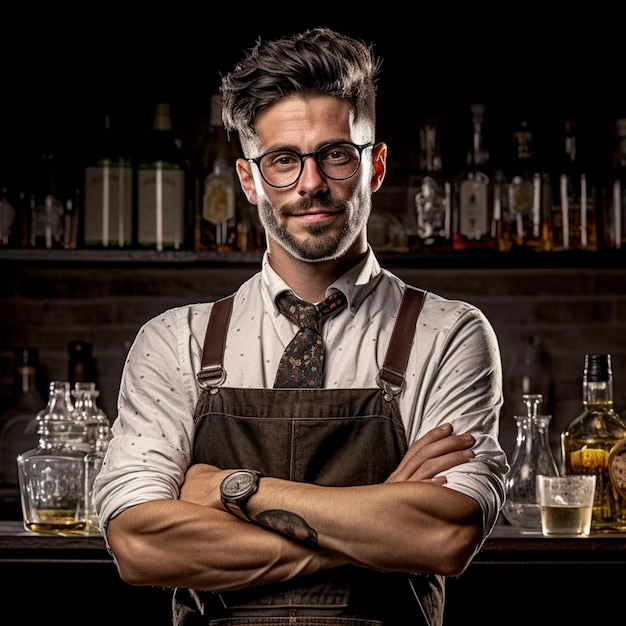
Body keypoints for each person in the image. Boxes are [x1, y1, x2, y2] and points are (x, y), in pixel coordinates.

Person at [94, 27, 508, 626]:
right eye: (283, 160)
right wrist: (375, 525)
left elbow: (442, 537)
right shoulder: (174, 342)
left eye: (335, 154)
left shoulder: (449, 334)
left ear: (375, 166)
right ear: (248, 179)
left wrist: (234, 490)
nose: (310, 183)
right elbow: (139, 545)